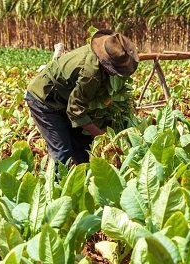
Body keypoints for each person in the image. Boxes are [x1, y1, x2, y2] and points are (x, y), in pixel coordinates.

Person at [24, 30, 139, 169]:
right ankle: (55, 188)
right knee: (62, 152)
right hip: (44, 100)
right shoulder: (91, 75)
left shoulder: (96, 54)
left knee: (83, 148)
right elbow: (75, 111)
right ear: (108, 65)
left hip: (63, 100)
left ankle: (84, 185)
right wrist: (102, 135)